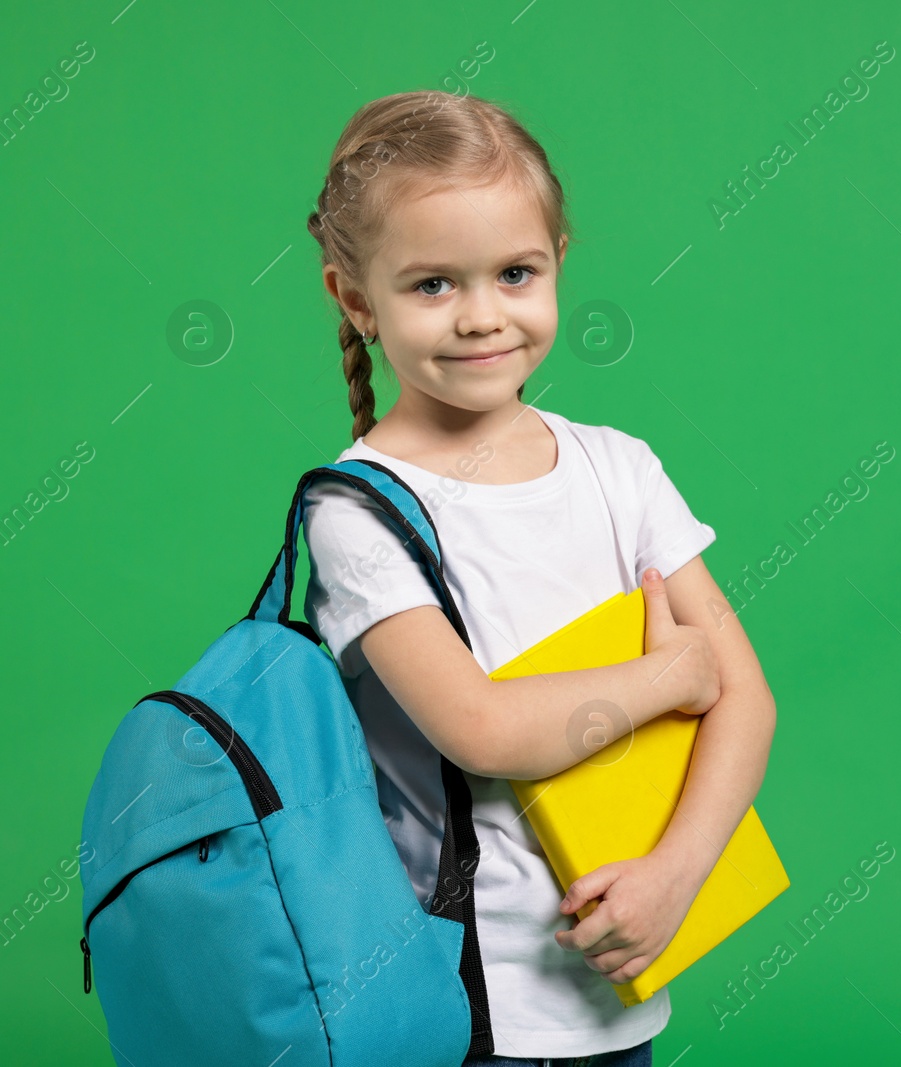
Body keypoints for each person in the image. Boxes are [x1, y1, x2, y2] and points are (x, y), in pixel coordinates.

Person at [298, 90, 777, 1067]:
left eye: (514, 272)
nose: (482, 316)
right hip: (465, 1006)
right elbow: (484, 728)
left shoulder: (620, 467)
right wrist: (671, 677)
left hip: (621, 970)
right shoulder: (358, 513)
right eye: (433, 284)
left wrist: (674, 877)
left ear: (559, 261)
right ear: (354, 298)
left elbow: (751, 702)